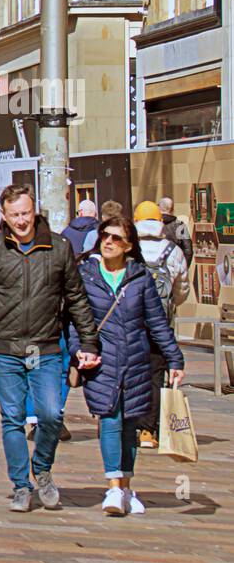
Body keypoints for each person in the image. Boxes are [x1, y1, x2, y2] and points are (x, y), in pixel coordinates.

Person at [0, 183, 100, 513]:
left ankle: (43, 468)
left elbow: (77, 298)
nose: (21, 220)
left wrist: (89, 340)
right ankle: (21, 485)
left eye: (26, 213)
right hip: (4, 346)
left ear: (34, 210)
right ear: (4, 216)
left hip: (45, 345)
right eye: (14, 215)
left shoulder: (59, 247)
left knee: (51, 414)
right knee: (12, 418)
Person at [68, 216, 184, 516]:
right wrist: (79, 350)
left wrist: (174, 358)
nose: (108, 241)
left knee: (130, 423)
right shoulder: (86, 275)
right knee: (109, 418)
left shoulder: (140, 278)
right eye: (105, 235)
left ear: (129, 245)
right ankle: (114, 488)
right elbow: (74, 321)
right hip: (101, 360)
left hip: (135, 360)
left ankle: (127, 485)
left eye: (117, 238)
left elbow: (157, 323)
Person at [132, 200, 191, 449]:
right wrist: (172, 304)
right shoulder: (171, 250)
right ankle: (148, 430)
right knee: (156, 373)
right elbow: (182, 288)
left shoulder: (129, 249)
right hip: (160, 324)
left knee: (131, 371)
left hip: (131, 322)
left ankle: (128, 422)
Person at [158, 196, 193, 266]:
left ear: (159, 208)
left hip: (157, 269)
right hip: (175, 268)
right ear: (172, 209)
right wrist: (183, 269)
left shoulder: (154, 224)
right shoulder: (180, 225)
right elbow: (188, 250)